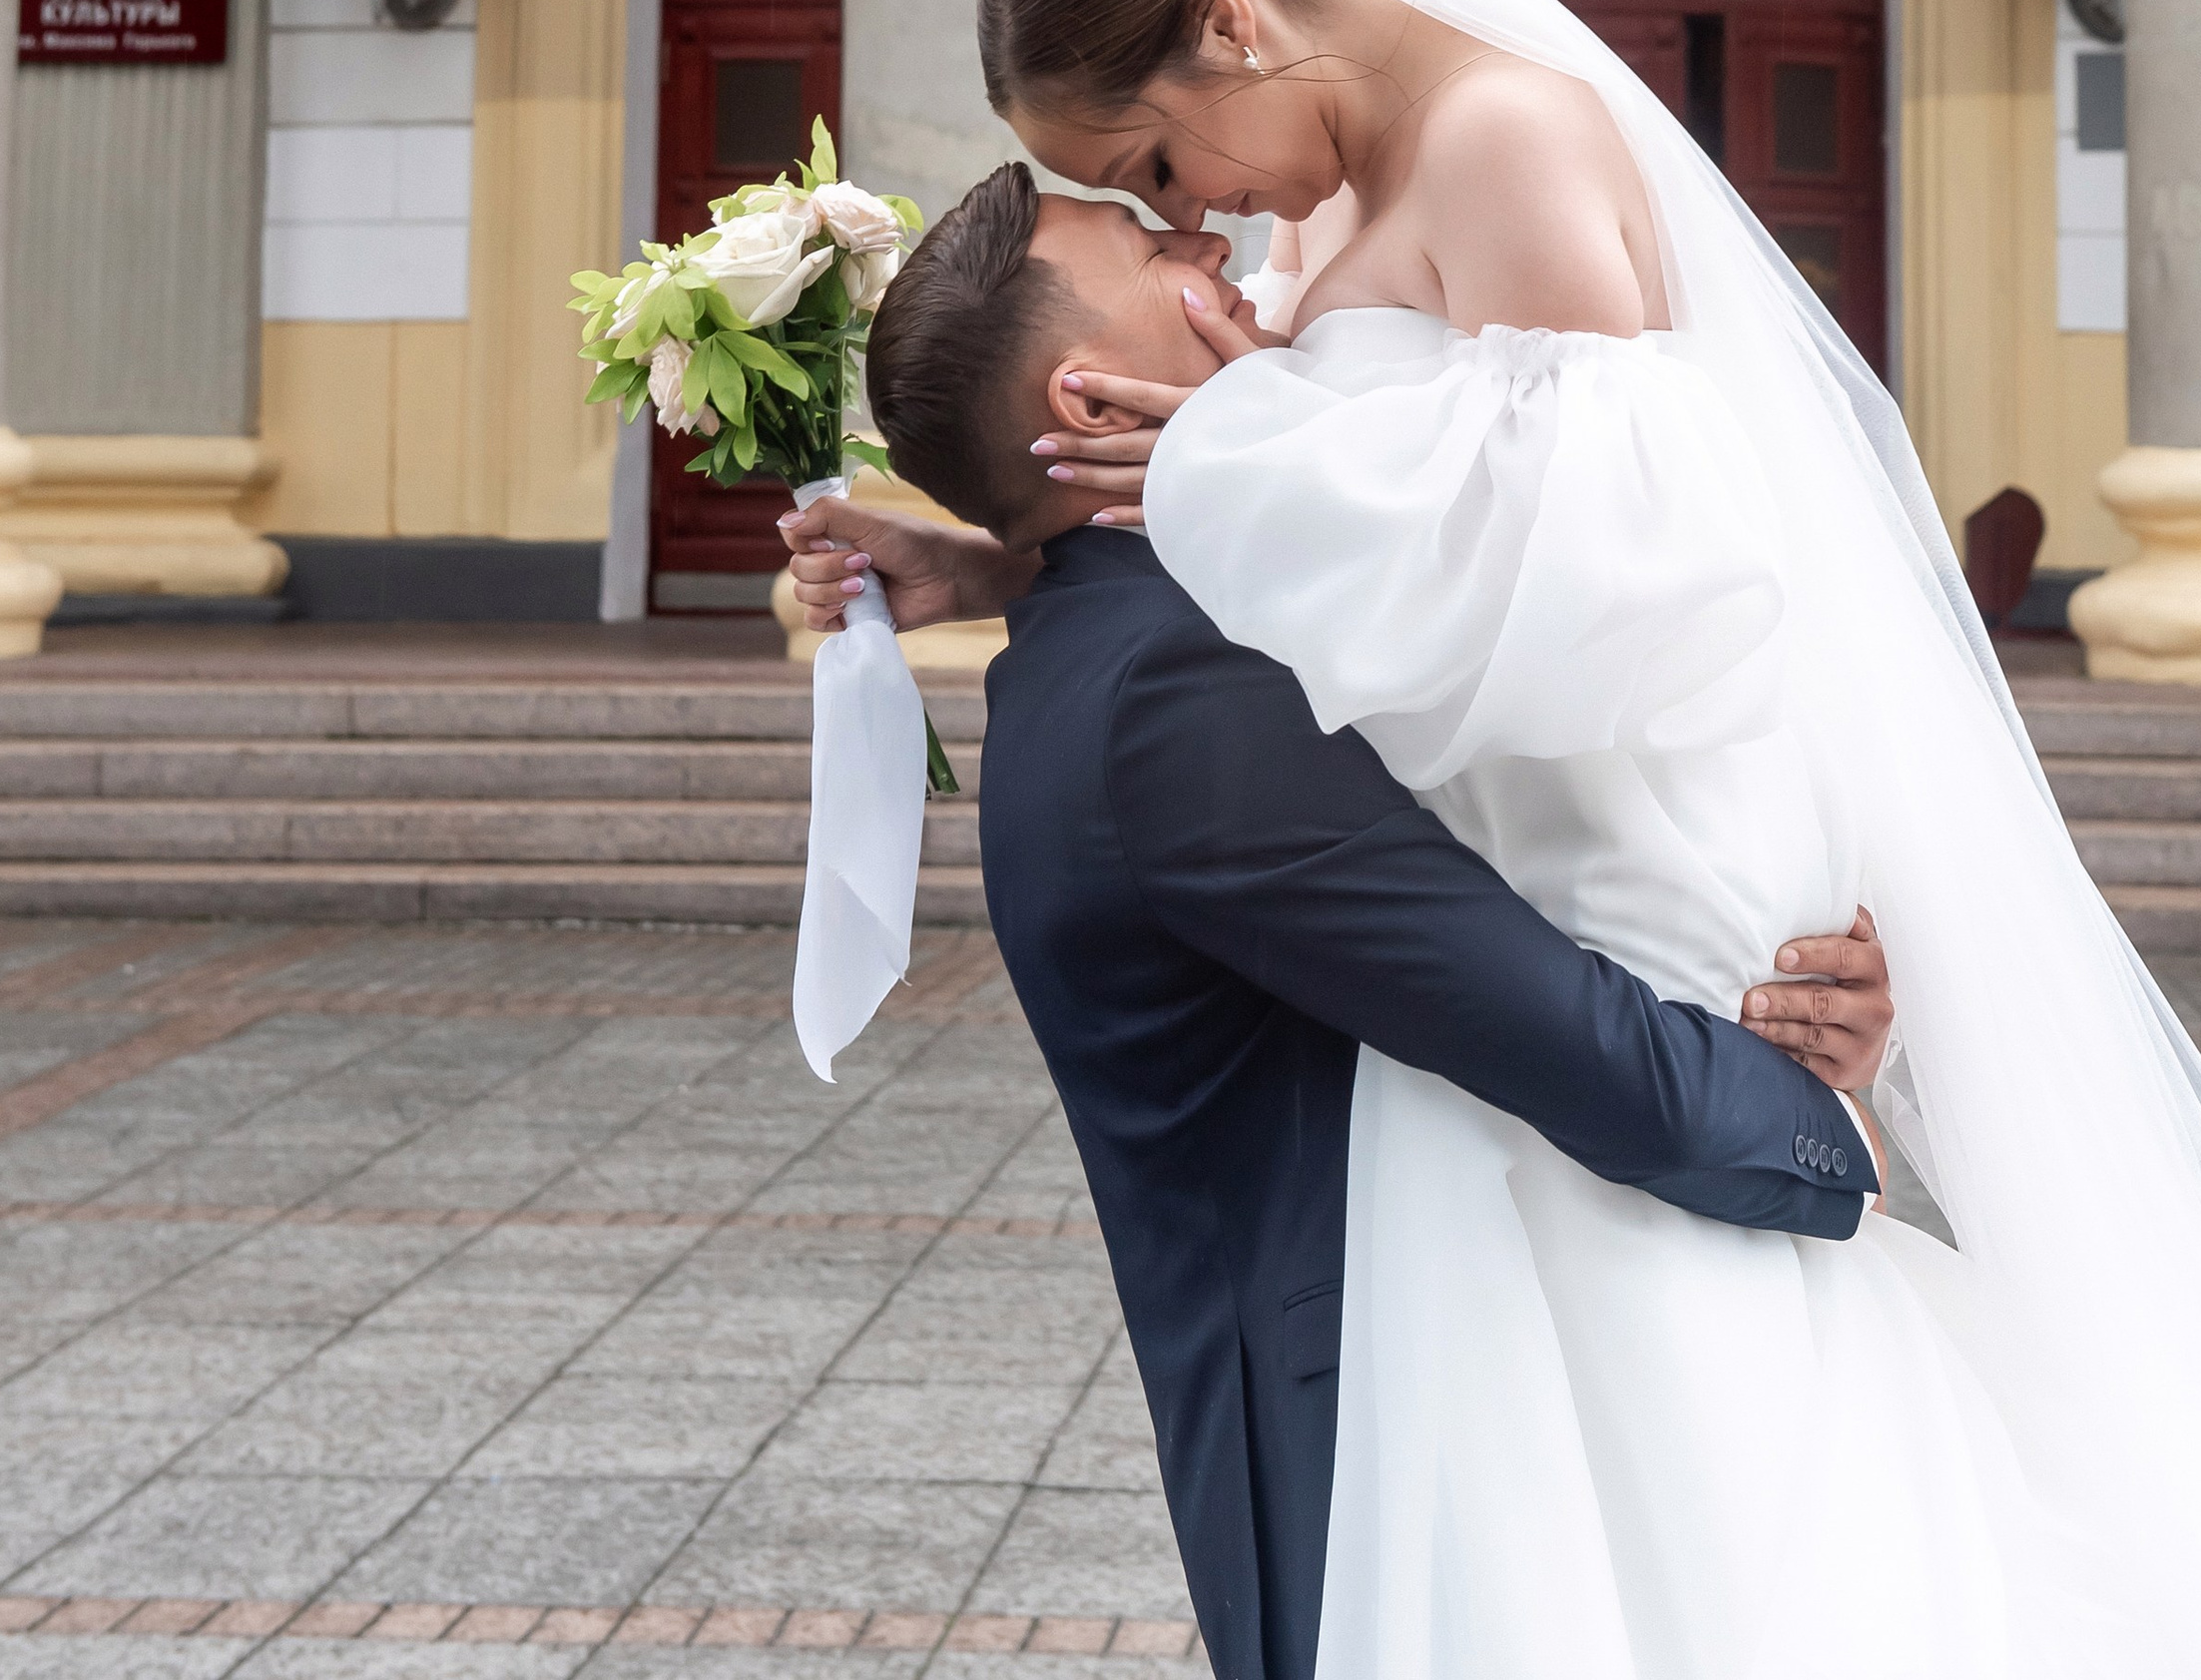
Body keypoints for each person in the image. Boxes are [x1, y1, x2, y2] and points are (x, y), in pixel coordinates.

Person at [885, 0, 2201, 1680]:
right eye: (1145, 206)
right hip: (1515, 922)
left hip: (1614, 875)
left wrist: (1254, 457)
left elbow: (1630, 603)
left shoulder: (1507, 140)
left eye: (1160, 162)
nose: (1191, 218)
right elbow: (1398, 548)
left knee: (1728, 1499)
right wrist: (1007, 559)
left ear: (1232, 28)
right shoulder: (1337, 212)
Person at [782, 165, 1897, 1680]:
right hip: (1385, 1446)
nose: (1203, 233)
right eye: (1139, 240)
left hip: (1455, 1379)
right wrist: (1829, 1132)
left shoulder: (1122, 641)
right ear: (1088, 394)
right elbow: (1543, 1023)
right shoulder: (1177, 703)